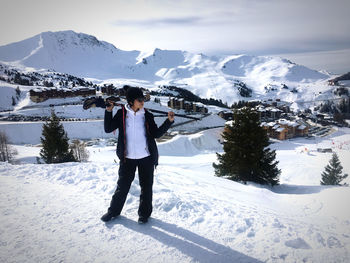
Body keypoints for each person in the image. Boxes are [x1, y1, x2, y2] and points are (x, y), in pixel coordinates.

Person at [101, 87, 175, 224]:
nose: (142, 102)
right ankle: (113, 211)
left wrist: (168, 122)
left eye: (144, 99)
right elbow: (108, 128)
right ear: (131, 101)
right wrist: (109, 111)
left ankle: (144, 215)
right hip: (127, 158)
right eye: (139, 100)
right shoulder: (122, 114)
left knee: (146, 187)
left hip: (146, 158)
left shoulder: (147, 115)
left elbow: (156, 134)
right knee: (122, 186)